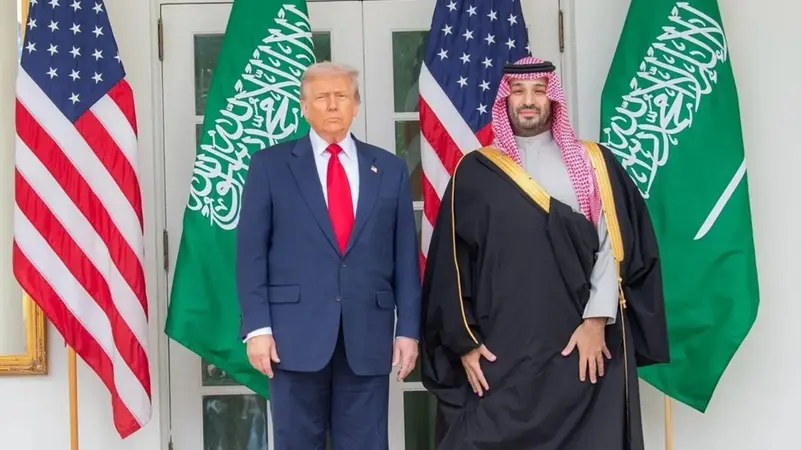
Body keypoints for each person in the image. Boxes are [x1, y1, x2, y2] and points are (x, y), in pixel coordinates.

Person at [420, 55, 670, 449]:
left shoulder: (594, 163)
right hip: (503, 349)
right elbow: (451, 265)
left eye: (538, 91)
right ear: (505, 99)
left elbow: (615, 245)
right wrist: (464, 343)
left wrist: (595, 322)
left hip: (580, 344)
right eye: (518, 91)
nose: (528, 101)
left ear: (553, 98)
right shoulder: (475, 171)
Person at [236, 61, 421, 450]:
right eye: (322, 97)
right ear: (304, 107)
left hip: (368, 336)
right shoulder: (270, 166)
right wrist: (257, 329)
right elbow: (251, 254)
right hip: (292, 338)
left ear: (356, 105)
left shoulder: (388, 169)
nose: (333, 105)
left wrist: (407, 330)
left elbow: (405, 257)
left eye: (342, 96)